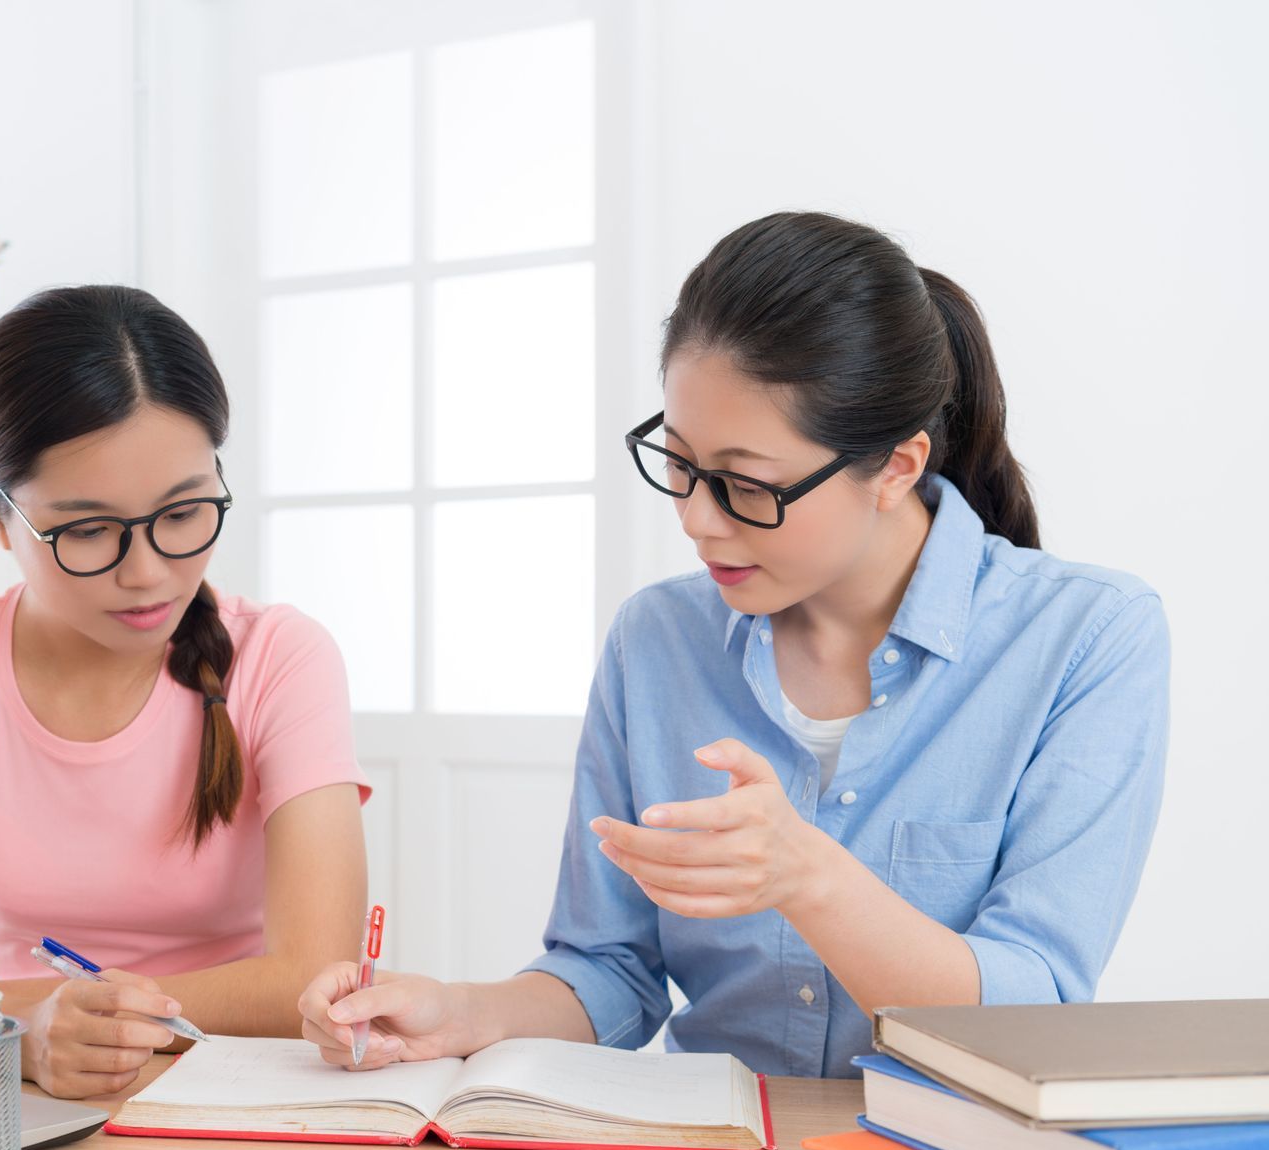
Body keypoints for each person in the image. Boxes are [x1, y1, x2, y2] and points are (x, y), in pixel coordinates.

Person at [298, 211, 1169, 1078]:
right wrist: (457, 1012)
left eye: (747, 485)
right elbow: (609, 970)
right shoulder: (657, 641)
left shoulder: (1087, 637)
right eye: (678, 464)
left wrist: (809, 878)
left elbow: (1035, 1011)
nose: (695, 518)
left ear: (898, 466)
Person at [0, 285, 370, 1098]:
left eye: (185, 512)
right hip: (4, 1110)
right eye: (87, 531)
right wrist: (19, 1040)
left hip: (231, 1102)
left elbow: (316, 979)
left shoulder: (283, 657)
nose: (149, 573)